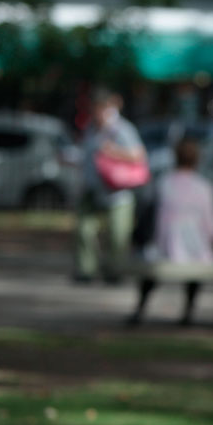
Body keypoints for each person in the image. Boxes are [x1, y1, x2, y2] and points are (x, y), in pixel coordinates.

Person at [127, 137, 213, 327]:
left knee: (151, 269)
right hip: (195, 250)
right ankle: (189, 310)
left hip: (164, 246)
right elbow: (212, 228)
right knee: (198, 265)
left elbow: (147, 216)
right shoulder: (205, 188)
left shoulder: (163, 184)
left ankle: (141, 308)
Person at [74, 88, 146, 285]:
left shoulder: (121, 129)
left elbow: (138, 155)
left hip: (117, 191)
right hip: (93, 188)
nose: (95, 113)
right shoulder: (91, 128)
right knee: (84, 230)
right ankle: (85, 270)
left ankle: (114, 272)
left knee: (117, 236)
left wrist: (113, 151)